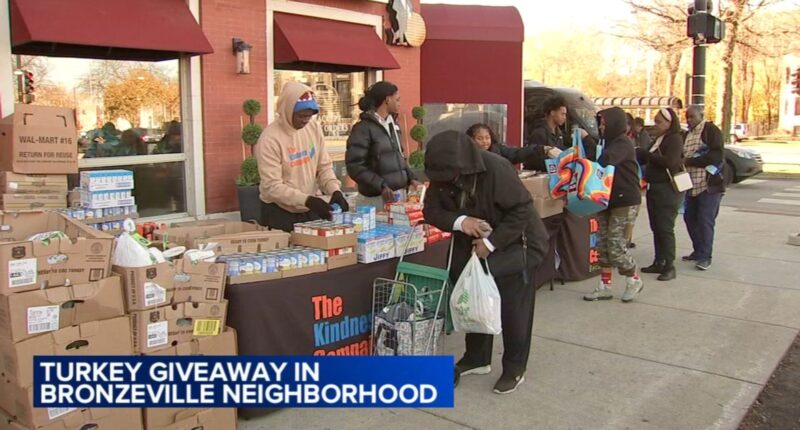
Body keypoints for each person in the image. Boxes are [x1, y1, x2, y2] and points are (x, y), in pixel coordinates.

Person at [423, 130, 548, 395]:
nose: (449, 181)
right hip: (470, 245)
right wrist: (462, 222)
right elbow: (432, 211)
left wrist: (491, 244)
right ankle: (477, 357)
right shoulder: (442, 173)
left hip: (516, 242)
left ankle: (515, 367)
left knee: (514, 306)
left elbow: (523, 209)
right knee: (473, 300)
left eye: (453, 176)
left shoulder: (496, 168)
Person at [256, 81, 349, 232]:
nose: (305, 120)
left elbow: (323, 166)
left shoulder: (313, 128)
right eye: (301, 116)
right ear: (288, 111)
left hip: (308, 207)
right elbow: (272, 186)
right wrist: (307, 200)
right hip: (279, 211)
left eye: (309, 116)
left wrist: (334, 190)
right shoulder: (270, 139)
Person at [583, 107, 644, 302]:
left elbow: (603, 161)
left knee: (615, 246)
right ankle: (605, 285)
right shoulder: (608, 142)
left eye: (603, 123)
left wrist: (587, 141)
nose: (600, 126)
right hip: (606, 198)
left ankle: (633, 278)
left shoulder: (622, 143)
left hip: (625, 200)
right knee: (602, 245)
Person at [346, 81, 420, 207]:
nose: (399, 103)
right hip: (375, 199)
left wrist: (411, 178)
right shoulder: (363, 128)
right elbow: (354, 166)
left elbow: (399, 157)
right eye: (397, 99)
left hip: (398, 196)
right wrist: (381, 185)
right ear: (387, 100)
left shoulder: (394, 125)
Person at [637, 108, 685, 281]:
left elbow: (670, 162)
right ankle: (659, 260)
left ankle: (669, 265)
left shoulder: (675, 139)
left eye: (659, 122)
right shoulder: (658, 139)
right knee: (656, 227)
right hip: (654, 188)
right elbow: (646, 157)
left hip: (667, 189)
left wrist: (648, 155)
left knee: (665, 228)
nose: (655, 125)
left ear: (669, 123)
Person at [682, 105, 725, 270]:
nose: (689, 120)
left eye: (692, 116)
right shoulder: (687, 134)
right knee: (690, 218)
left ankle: (706, 256)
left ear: (701, 115)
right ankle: (698, 250)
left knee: (705, 220)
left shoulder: (710, 130)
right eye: (687, 117)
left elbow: (717, 155)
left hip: (708, 184)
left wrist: (691, 161)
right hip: (690, 183)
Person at [523, 95, 568, 170]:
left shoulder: (559, 134)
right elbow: (535, 160)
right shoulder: (539, 133)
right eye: (562, 114)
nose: (564, 117)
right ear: (552, 113)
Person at [466, 123, 540, 165]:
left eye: (487, 138)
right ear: (471, 139)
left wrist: (539, 149)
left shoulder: (498, 150)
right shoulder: (465, 155)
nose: (485, 141)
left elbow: (516, 153)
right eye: (480, 138)